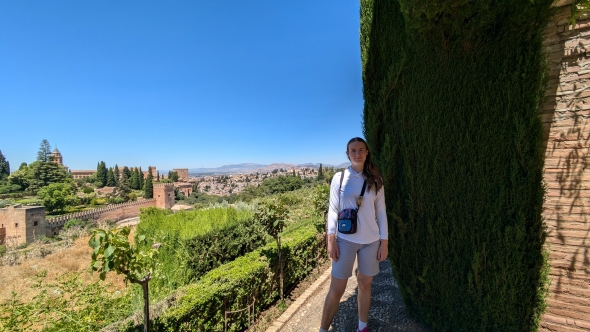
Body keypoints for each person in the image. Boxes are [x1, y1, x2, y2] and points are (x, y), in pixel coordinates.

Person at [319, 137, 388, 332]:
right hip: (345, 240)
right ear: (347, 154)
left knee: (365, 285)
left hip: (371, 241)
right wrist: (330, 239)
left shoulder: (376, 179)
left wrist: (384, 242)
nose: (357, 153)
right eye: (353, 150)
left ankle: (362, 327)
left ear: (367, 153)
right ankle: (323, 329)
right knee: (336, 290)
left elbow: (381, 212)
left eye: (361, 150)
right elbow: (333, 209)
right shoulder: (339, 178)